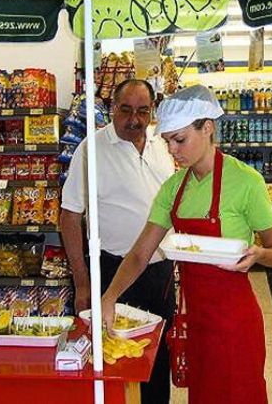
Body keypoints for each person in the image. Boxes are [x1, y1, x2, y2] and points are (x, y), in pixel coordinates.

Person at [101, 85, 272, 404]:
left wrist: (258, 254)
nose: (173, 150)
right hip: (192, 318)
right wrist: (109, 297)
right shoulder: (173, 188)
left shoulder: (245, 182)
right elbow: (140, 254)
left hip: (234, 320)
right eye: (167, 141)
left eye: (180, 140)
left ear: (208, 128)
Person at [60, 79, 176, 403]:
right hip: (115, 271)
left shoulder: (162, 144)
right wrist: (82, 283)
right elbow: (69, 216)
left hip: (161, 272)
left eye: (143, 111)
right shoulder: (91, 149)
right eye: (126, 110)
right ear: (112, 108)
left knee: (159, 356)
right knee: (115, 359)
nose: (134, 119)